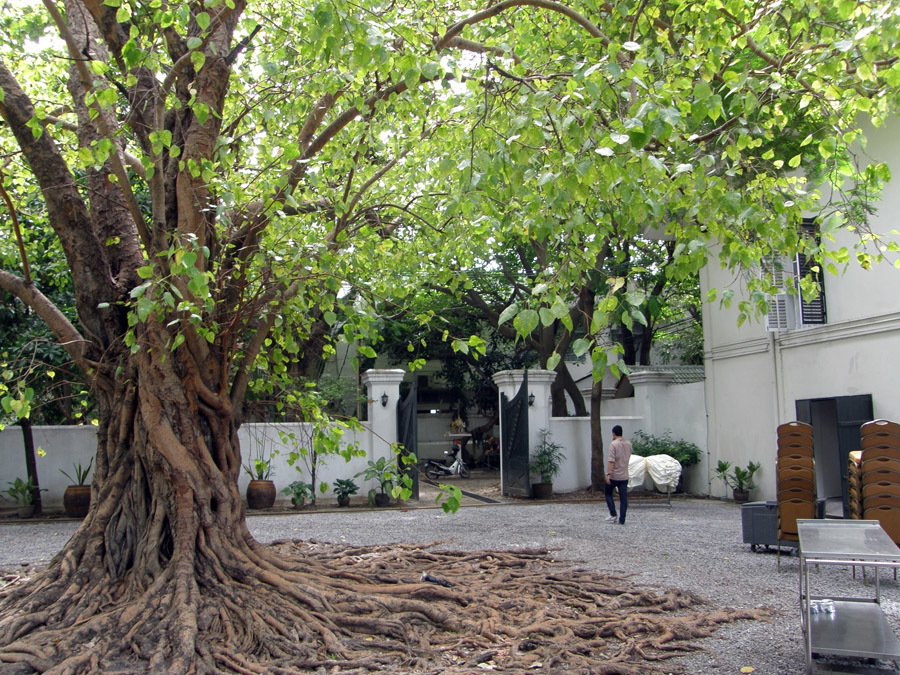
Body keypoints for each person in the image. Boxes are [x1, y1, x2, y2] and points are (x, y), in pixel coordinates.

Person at [605, 425, 632, 525]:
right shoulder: (629, 444)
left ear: (614, 434)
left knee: (608, 493)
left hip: (614, 475)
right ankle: (622, 519)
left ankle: (613, 513)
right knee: (623, 498)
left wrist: (608, 474)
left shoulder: (613, 444)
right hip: (624, 475)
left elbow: (611, 460)